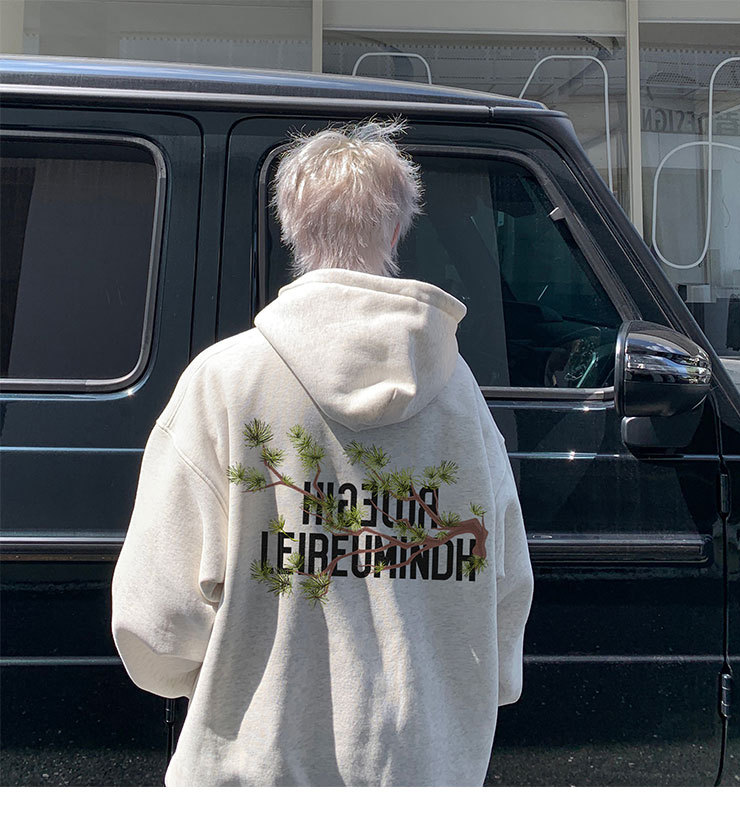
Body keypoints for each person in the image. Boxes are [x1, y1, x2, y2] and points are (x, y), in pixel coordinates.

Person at [111, 117, 534, 787]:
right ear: (395, 232)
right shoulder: (462, 402)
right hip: (421, 775)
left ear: (291, 229)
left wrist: (222, 675)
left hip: (255, 777)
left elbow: (154, 623)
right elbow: (504, 594)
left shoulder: (225, 383)